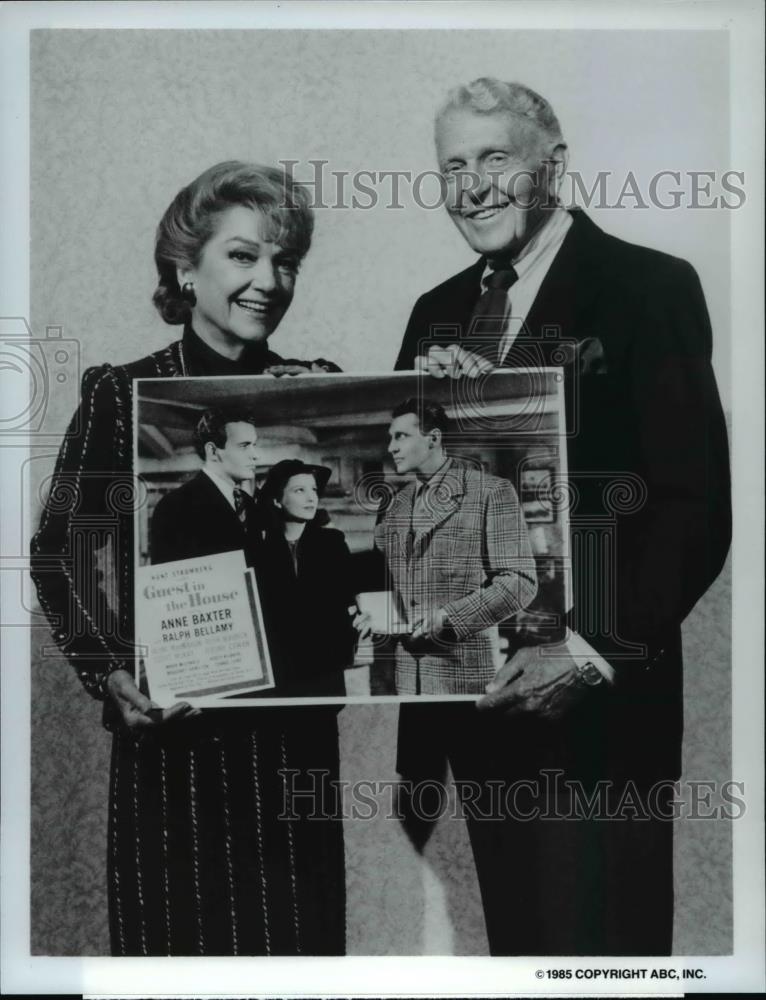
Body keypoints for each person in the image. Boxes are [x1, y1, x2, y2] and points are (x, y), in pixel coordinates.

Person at [394, 79, 731, 954]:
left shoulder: (648, 288)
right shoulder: (434, 313)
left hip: (602, 729)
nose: (471, 187)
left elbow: (694, 509)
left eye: (494, 159)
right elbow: (410, 497)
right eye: (452, 167)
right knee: (519, 958)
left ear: (554, 167)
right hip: (478, 721)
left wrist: (585, 653)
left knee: (605, 959)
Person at [30, 161, 346, 956]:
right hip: (176, 755)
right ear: (185, 266)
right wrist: (109, 673)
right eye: (243, 256)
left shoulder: (321, 389)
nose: (268, 281)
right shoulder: (119, 394)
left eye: (285, 262)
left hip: (292, 757)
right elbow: (58, 555)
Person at [374, 398, 537, 695]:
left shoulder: (490, 492)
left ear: (433, 438)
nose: (391, 447)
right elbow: (385, 581)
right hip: (405, 677)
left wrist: (449, 618)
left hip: (463, 674)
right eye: (390, 438)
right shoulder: (394, 506)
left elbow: (519, 583)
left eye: (401, 436)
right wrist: (366, 612)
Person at [256, 458, 369, 698]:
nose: (311, 498)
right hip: (278, 680)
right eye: (300, 490)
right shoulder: (259, 550)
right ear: (277, 500)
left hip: (325, 675)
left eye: (314, 490)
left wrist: (359, 621)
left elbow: (348, 601)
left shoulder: (332, 543)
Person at [150, 407, 261, 566]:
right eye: (244, 446)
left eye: (254, 445)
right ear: (213, 451)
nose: (255, 455)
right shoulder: (175, 507)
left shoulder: (249, 505)